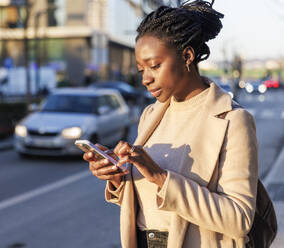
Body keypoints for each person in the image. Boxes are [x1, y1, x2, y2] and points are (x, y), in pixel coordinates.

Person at [82, 1, 258, 248]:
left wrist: (162, 178)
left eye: (154, 66)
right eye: (141, 69)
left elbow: (239, 219)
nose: (145, 79)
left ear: (187, 56)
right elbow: (150, 204)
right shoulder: (151, 114)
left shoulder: (233, 120)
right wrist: (118, 178)